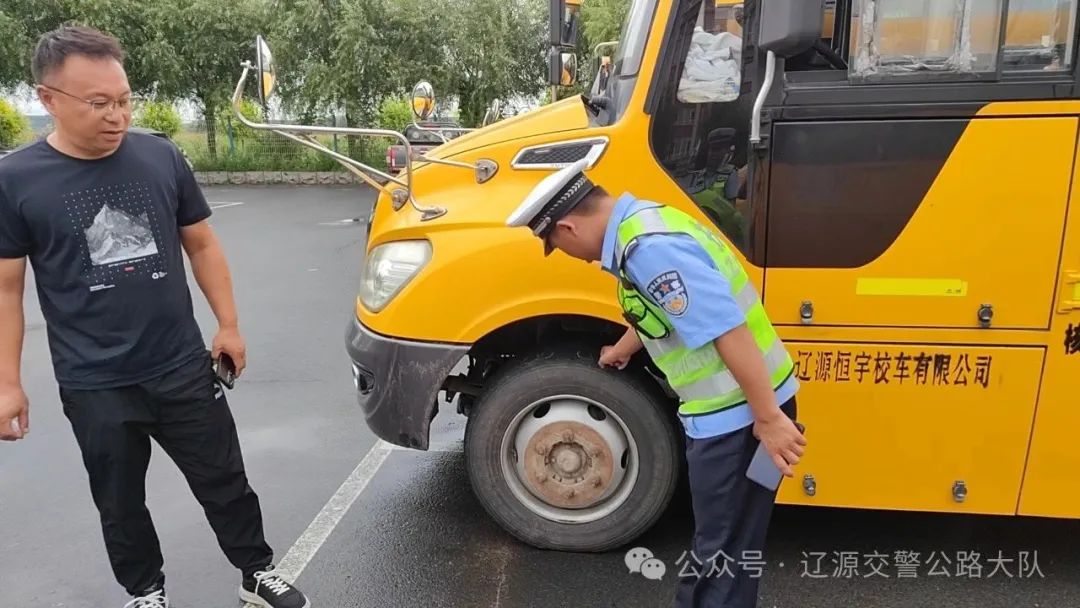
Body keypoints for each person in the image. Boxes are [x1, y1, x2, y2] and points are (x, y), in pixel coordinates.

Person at [0, 26, 308, 608]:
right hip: (94, 383)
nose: (116, 115)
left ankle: (255, 571)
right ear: (47, 99)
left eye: (123, 99)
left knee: (225, 480)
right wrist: (8, 384)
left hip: (179, 365)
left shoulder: (160, 155)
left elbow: (203, 245)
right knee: (119, 501)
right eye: (98, 104)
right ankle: (145, 591)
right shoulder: (15, 180)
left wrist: (229, 323)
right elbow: (6, 288)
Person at [506, 158, 807, 608]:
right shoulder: (643, 223)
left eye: (555, 245)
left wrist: (768, 420)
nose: (570, 256)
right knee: (736, 542)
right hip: (754, 410)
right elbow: (671, 311)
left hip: (740, 423)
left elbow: (726, 328)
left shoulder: (648, 250)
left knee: (720, 550)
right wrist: (626, 346)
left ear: (567, 229)